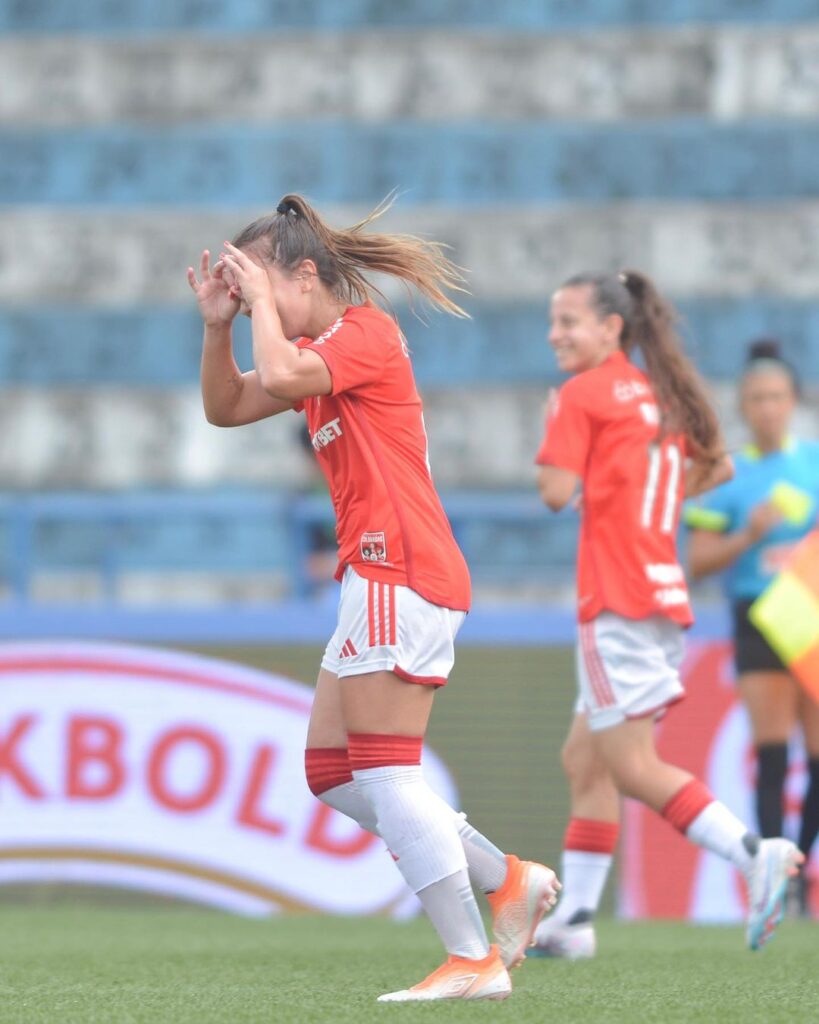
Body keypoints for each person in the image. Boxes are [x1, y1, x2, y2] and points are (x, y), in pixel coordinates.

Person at [187, 194, 559, 1003]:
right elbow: (225, 408)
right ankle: (510, 879)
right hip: (379, 573)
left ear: (306, 276)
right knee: (331, 771)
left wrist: (256, 312)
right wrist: (219, 325)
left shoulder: (360, 333)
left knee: (388, 774)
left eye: (259, 283)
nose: (253, 300)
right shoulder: (315, 357)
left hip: (401, 566)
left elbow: (277, 372)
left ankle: (471, 959)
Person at [528, 271, 803, 959]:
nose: (554, 334)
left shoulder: (582, 394)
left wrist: (555, 433)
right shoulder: (658, 396)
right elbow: (716, 469)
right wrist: (633, 494)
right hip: (659, 594)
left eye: (568, 321)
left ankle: (752, 853)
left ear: (612, 328)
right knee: (582, 759)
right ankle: (575, 922)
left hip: (614, 600)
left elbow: (555, 493)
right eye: (553, 321)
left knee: (632, 767)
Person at [685, 339, 819, 916]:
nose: (767, 407)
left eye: (777, 396)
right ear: (743, 405)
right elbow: (698, 561)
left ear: (793, 401)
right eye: (756, 398)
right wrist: (751, 534)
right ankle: (773, 873)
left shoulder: (812, 462)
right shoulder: (728, 474)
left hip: (810, 614)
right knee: (771, 752)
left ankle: (798, 870)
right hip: (758, 619)